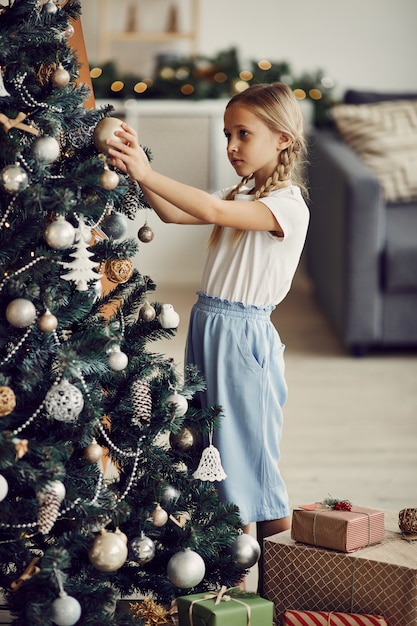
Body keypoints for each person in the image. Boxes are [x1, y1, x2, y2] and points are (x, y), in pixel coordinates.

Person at [107, 82, 309, 594]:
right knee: (213, 457)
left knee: (251, 469)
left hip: (243, 338)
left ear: (282, 139)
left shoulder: (288, 205)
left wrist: (149, 171)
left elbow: (213, 213)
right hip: (208, 327)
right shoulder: (243, 193)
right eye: (227, 134)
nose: (232, 145)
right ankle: (230, 588)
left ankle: (280, 595)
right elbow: (175, 213)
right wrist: (138, 171)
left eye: (244, 134)